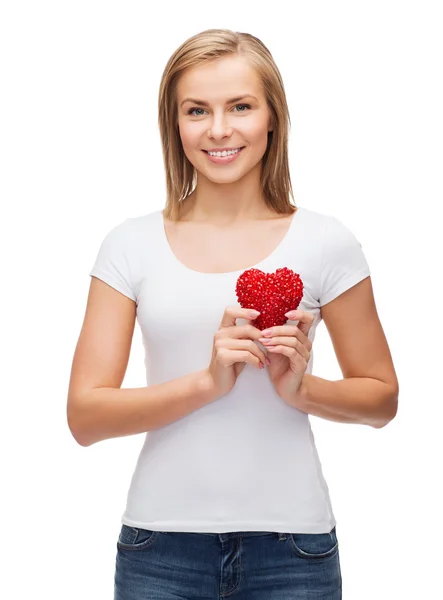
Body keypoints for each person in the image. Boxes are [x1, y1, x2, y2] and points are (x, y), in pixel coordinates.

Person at [67, 28, 399, 600]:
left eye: (240, 106)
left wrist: (301, 389)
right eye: (197, 110)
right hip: (159, 550)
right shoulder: (129, 245)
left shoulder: (327, 242)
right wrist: (206, 383)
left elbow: (382, 399)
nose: (219, 130)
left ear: (273, 116)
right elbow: (85, 417)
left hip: (294, 551)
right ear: (175, 124)